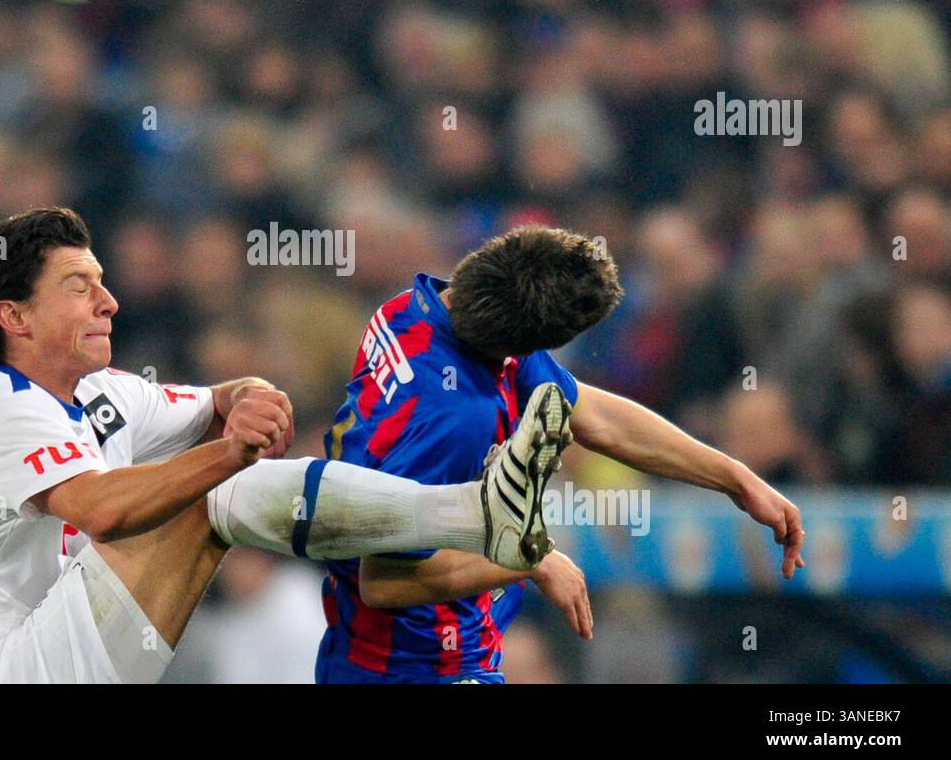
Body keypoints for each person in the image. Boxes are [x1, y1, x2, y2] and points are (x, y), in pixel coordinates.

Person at [0, 206, 563, 684]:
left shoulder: (103, 392)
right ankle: (473, 514)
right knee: (213, 490)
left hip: (66, 649)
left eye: (101, 280)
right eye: (79, 287)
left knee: (211, 486)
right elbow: (101, 507)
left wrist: (248, 394)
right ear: (12, 317)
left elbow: (217, 400)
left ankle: (478, 516)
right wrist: (230, 452)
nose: (109, 300)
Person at [316, 226, 807, 683]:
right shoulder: (457, 417)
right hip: (420, 665)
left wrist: (735, 478)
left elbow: (593, 415)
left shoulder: (416, 308)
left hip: (371, 649)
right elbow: (383, 579)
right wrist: (530, 560)